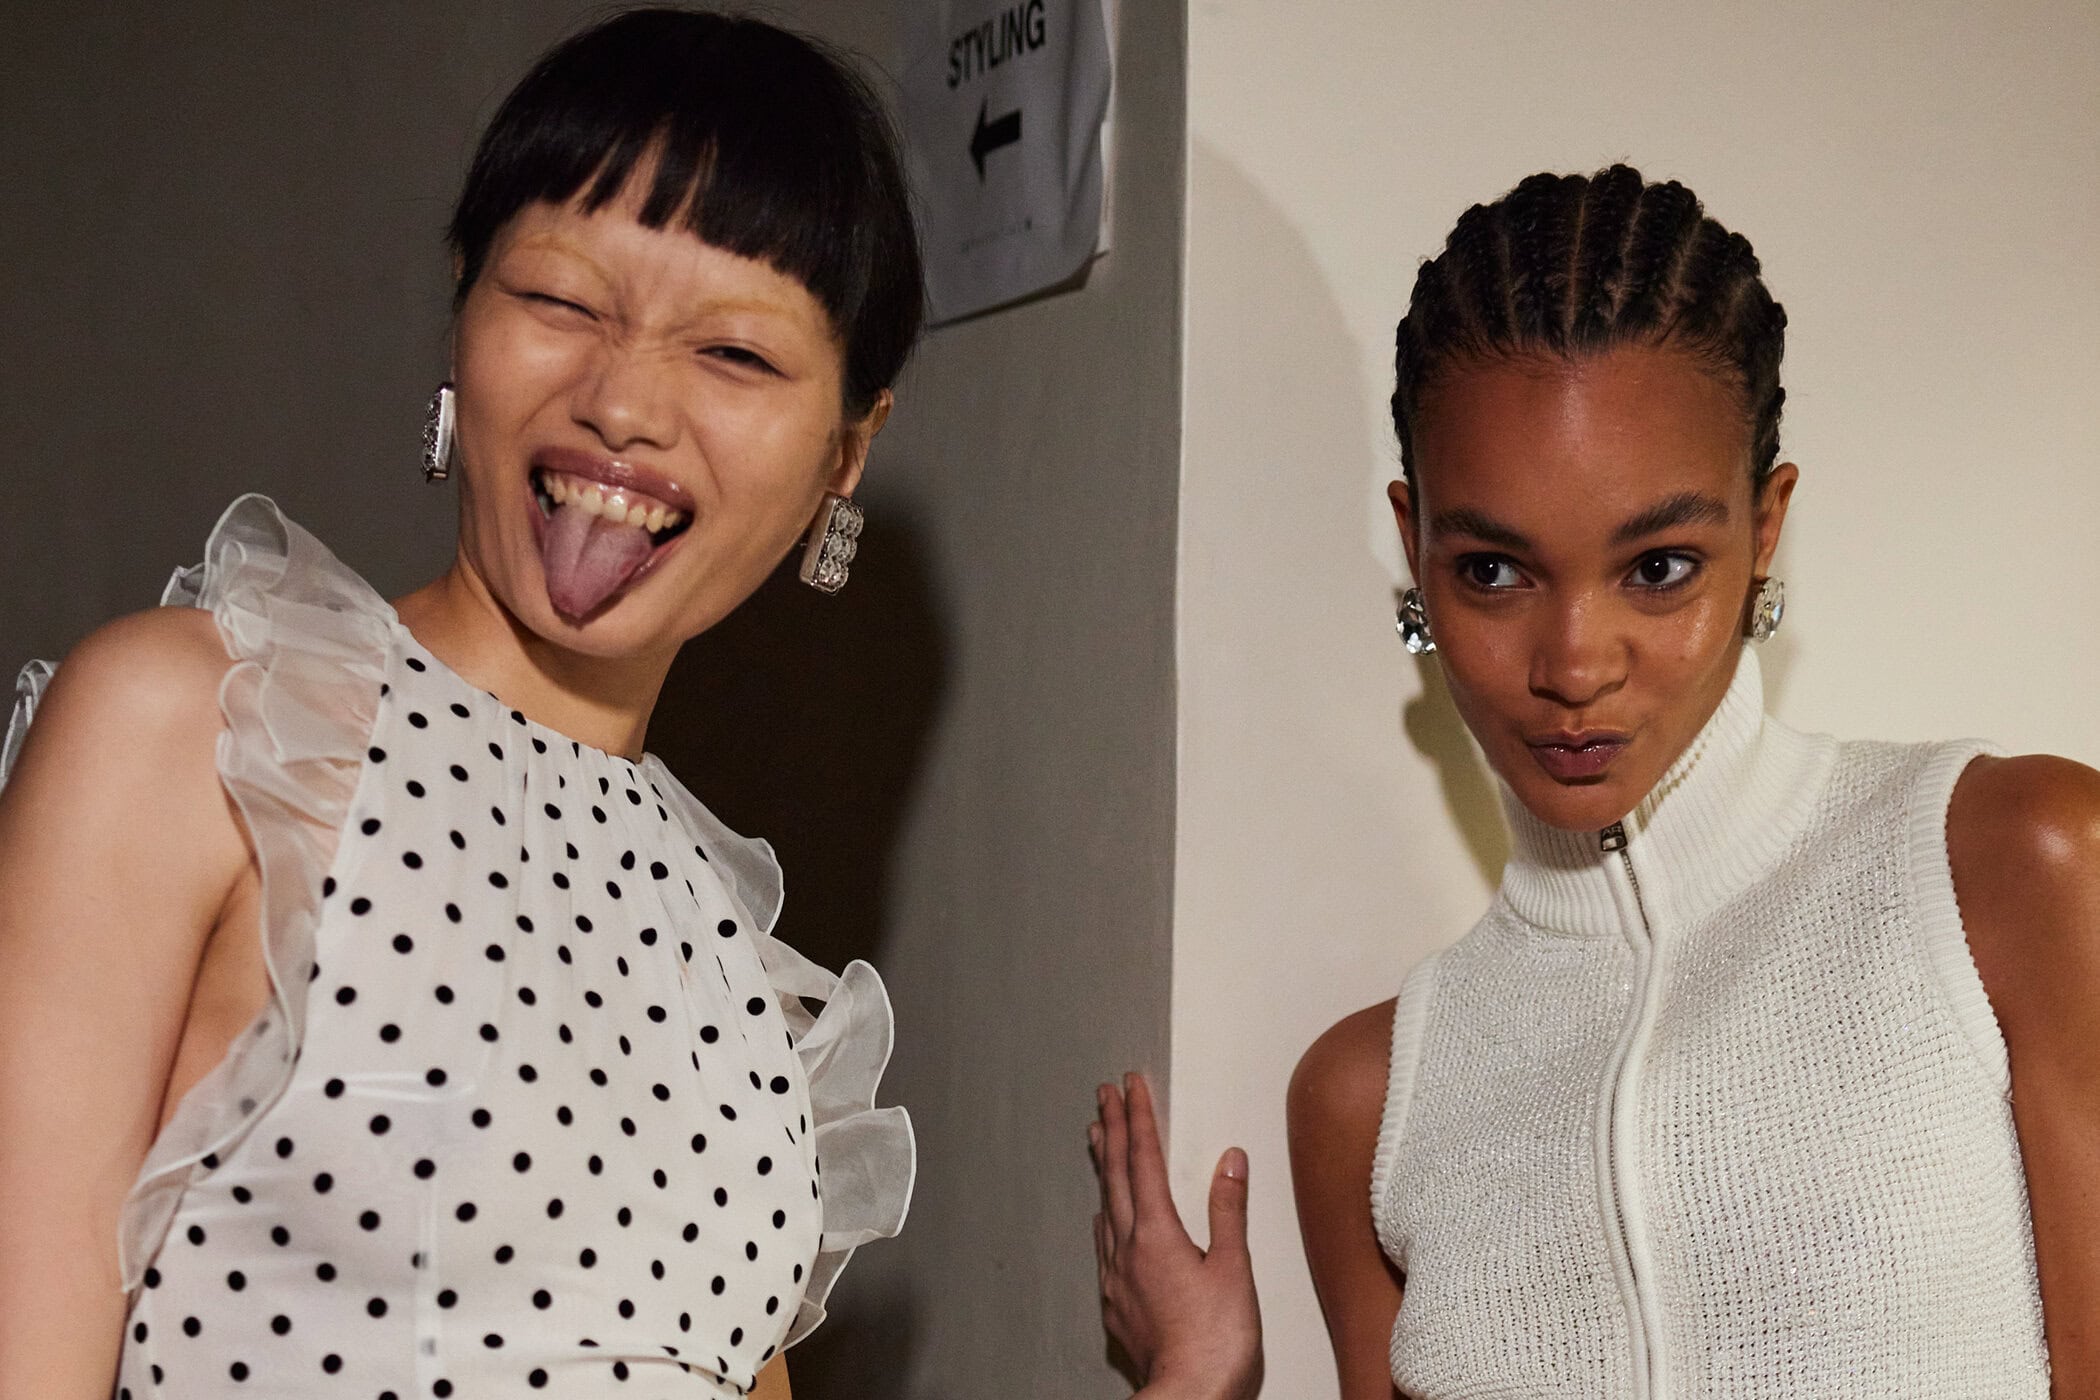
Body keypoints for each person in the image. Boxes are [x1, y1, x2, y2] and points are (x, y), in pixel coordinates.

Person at [0, 11, 921, 1398]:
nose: (623, 404)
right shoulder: (206, 727)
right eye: (560, 301)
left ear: (847, 450)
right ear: (462, 308)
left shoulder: (739, 968)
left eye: (734, 354)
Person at [1092, 165, 2098, 1398]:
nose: (1574, 665)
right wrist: (1195, 1376)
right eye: (1495, 571)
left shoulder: (2013, 867)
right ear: (1415, 546)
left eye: (1659, 566)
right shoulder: (1370, 1098)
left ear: (1765, 527)